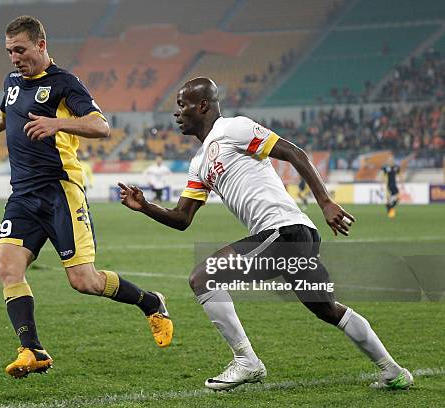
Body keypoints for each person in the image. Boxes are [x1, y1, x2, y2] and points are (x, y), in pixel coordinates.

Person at [119, 77, 412, 391]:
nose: (177, 114)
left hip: (284, 230)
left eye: (182, 105)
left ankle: (247, 362)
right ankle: (393, 371)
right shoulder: (198, 163)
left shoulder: (233, 129)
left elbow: (294, 153)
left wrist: (325, 202)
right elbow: (182, 218)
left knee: (203, 278)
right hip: (288, 236)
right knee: (327, 308)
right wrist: (145, 206)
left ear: (202, 105)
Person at [0, 16, 172, 379]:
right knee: (7, 267)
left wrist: (57, 123)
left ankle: (151, 302)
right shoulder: (13, 81)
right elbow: (3, 115)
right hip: (23, 195)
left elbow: (101, 126)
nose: (14, 58)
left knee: (84, 281)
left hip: (60, 191)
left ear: (41, 45)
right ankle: (32, 350)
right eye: (9, 51)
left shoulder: (64, 84)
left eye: (20, 50)